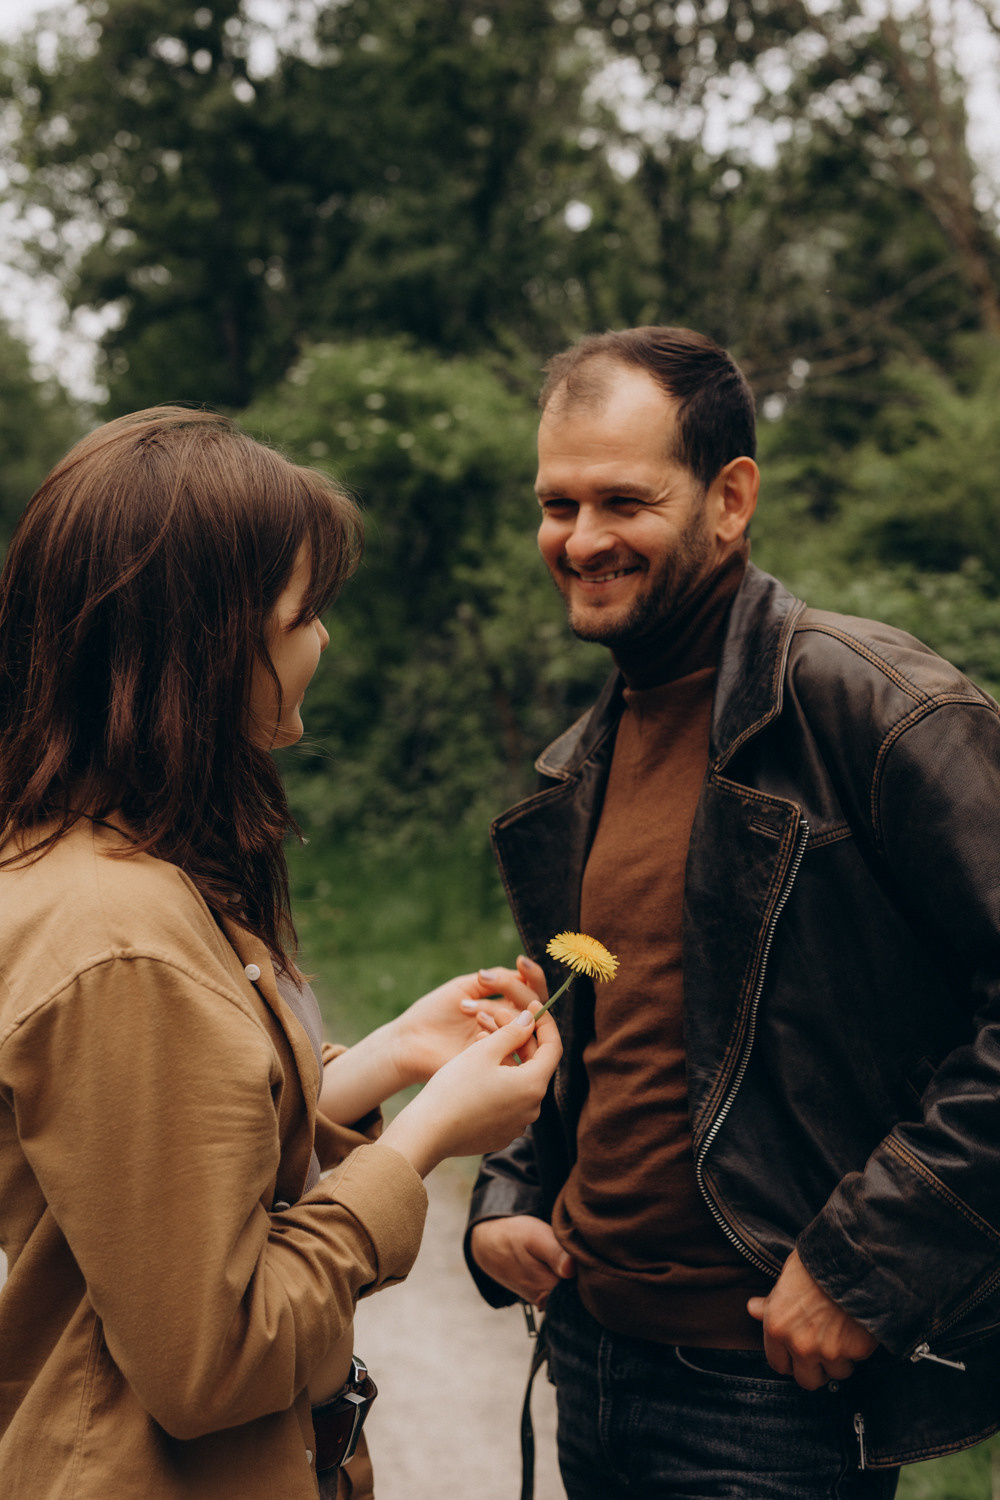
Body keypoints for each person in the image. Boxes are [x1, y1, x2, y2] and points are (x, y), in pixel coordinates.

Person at [465, 326, 1000, 1499]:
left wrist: (867, 1262)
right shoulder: (580, 765)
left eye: (623, 500)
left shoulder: (875, 708)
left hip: (767, 1396)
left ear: (729, 498)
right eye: (557, 505)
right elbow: (620, 1029)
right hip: (590, 1362)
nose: (582, 538)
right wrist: (509, 1189)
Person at [0, 406, 560, 1500]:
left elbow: (161, 1166)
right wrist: (430, 1142)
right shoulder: (122, 943)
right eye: (307, 612)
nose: (325, 641)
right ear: (209, 643)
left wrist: (395, 1056)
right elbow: (218, 1356)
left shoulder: (106, 868)